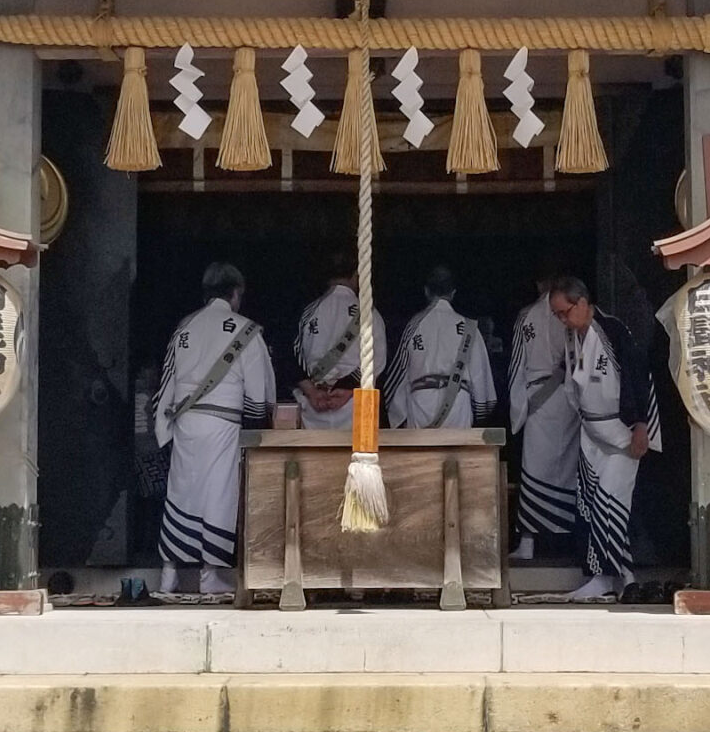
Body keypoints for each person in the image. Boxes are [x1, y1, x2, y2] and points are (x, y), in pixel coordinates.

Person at [150, 263, 276, 596]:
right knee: (217, 496)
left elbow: (167, 382)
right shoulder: (246, 330)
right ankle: (209, 576)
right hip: (223, 424)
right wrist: (256, 428)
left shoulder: (185, 327)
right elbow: (258, 393)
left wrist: (164, 427)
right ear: (236, 294)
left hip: (187, 423)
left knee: (182, 494)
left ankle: (168, 575)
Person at [550, 276, 661, 601]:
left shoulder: (612, 332)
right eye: (558, 315)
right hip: (591, 432)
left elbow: (638, 377)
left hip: (622, 431)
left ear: (582, 303)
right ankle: (623, 578)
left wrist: (641, 424)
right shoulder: (574, 337)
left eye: (564, 312)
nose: (562, 320)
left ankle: (605, 576)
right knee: (590, 505)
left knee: (608, 503)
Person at [508, 272, 577, 561]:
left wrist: (517, 407)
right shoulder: (569, 313)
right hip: (568, 395)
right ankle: (567, 542)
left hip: (539, 398)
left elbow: (516, 365)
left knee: (535, 470)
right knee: (566, 471)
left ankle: (529, 542)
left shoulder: (527, 316)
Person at [388, 266, 497, 429]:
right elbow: (480, 375)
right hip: (458, 405)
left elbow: (398, 376)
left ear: (426, 291)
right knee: (456, 453)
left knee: (423, 455)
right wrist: (481, 413)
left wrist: (399, 416)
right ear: (453, 293)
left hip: (421, 404)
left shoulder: (413, 326)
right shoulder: (469, 327)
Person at [291, 255, 384, 431]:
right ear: (357, 275)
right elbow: (377, 358)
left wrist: (312, 391)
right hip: (352, 404)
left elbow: (294, 355)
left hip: (314, 405)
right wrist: (349, 389)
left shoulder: (309, 312)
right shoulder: (369, 312)